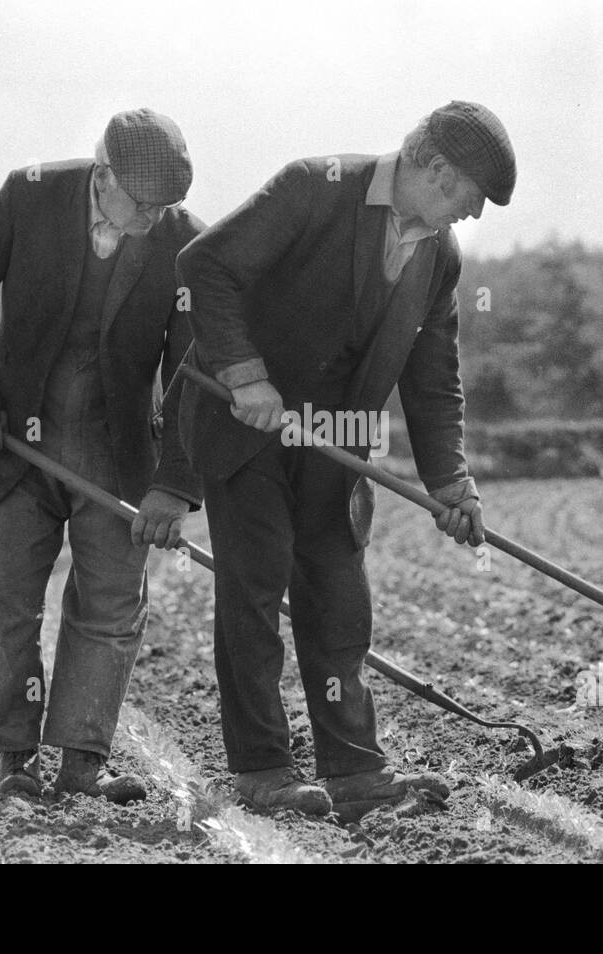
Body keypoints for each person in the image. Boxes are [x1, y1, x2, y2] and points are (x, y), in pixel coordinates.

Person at [175, 101, 515, 818]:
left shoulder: (438, 257)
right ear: (437, 170)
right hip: (247, 428)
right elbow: (206, 266)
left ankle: (355, 773)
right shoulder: (313, 187)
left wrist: (451, 482)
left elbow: (431, 375)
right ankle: (263, 770)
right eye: (468, 200)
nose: (466, 217)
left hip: (339, 447)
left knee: (338, 599)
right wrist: (245, 374)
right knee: (257, 587)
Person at [0, 108, 203, 801]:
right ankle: (13, 762)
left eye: (164, 206)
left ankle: (82, 764)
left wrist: (174, 487)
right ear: (101, 173)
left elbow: (189, 379)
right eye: (140, 204)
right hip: (18, 442)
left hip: (116, 454)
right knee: (8, 599)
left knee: (111, 606)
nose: (151, 218)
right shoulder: (30, 195)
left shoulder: (186, 245)